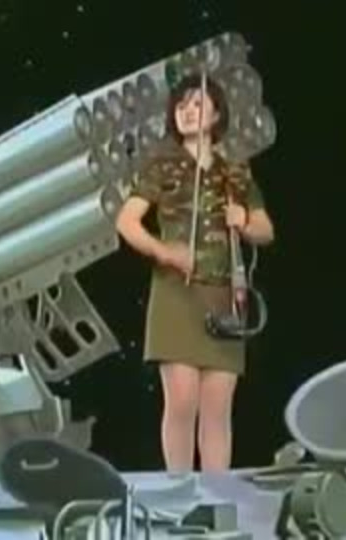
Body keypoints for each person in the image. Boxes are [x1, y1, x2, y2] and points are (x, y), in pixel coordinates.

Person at [115, 74, 275, 472]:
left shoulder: (234, 171)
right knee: (182, 401)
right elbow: (127, 222)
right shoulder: (162, 166)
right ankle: (181, 487)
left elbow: (266, 230)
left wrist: (243, 221)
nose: (187, 111)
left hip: (224, 296)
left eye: (198, 104)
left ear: (217, 114)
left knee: (217, 409)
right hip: (176, 293)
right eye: (181, 106)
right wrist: (164, 252)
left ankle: (216, 492)